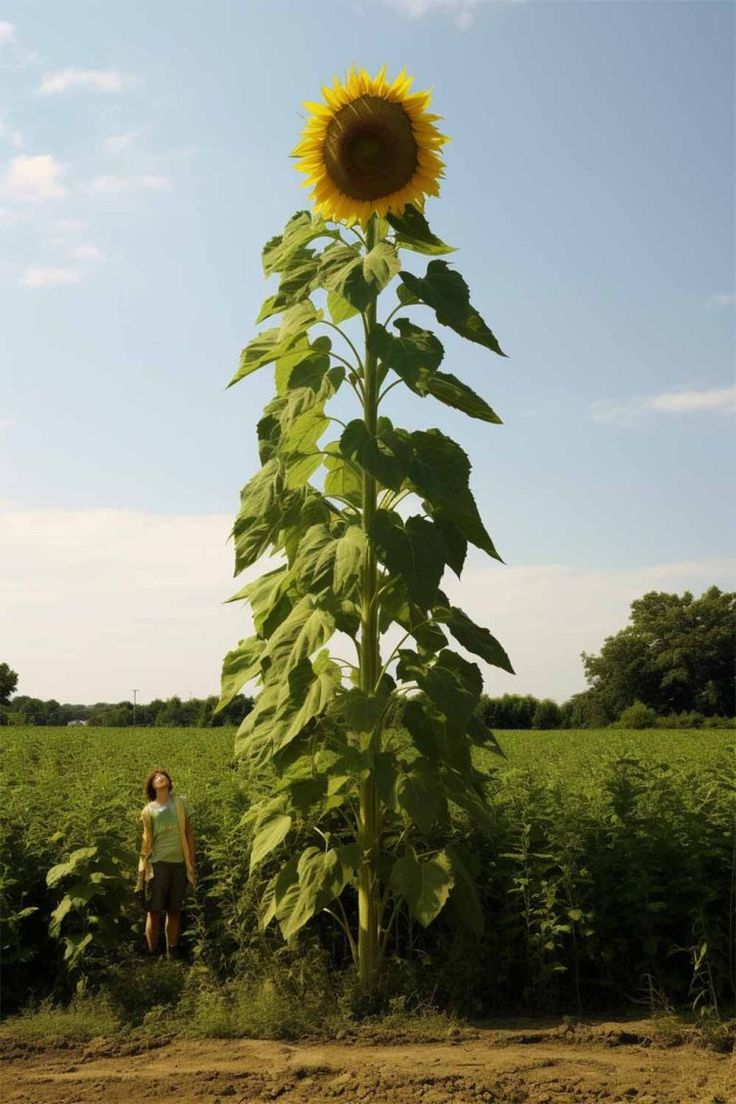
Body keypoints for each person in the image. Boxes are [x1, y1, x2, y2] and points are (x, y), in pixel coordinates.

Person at [136, 768, 196, 958]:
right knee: (153, 912)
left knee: (174, 911)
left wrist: (192, 862)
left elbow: (188, 832)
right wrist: (143, 868)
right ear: (152, 786)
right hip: (158, 864)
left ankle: (173, 954)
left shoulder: (180, 802)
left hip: (179, 863)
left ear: (169, 781)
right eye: (155, 778)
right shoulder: (148, 810)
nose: (159, 778)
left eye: (162, 776)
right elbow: (146, 840)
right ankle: (153, 954)